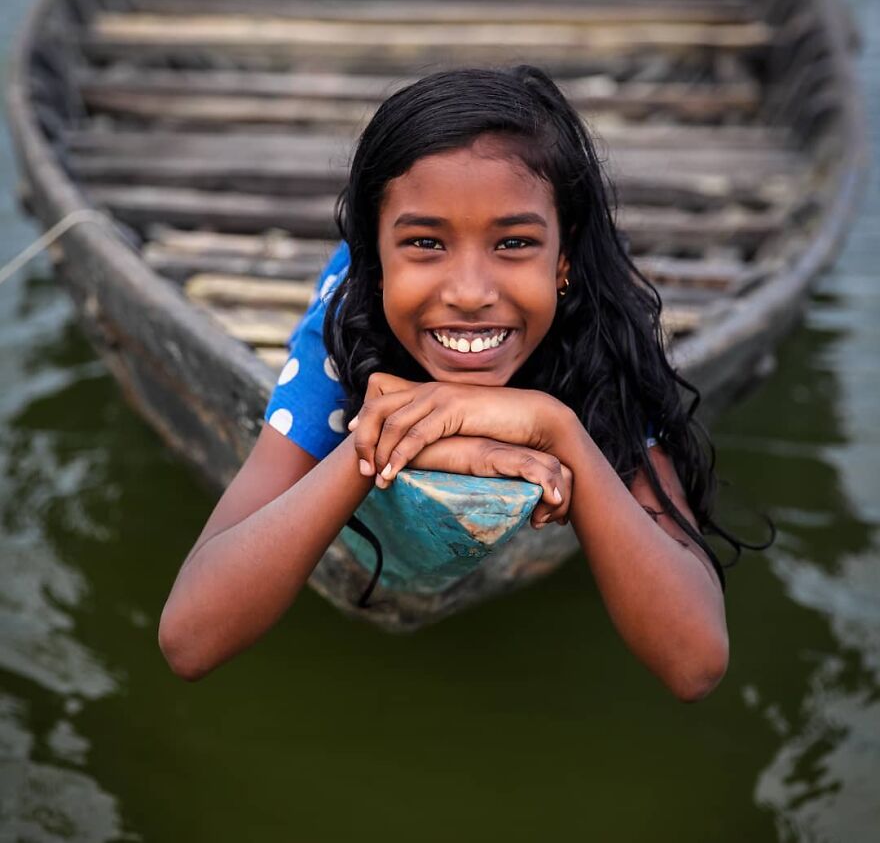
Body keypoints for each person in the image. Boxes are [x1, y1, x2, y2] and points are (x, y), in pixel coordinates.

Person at [159, 64, 741, 699]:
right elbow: (189, 640)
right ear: (375, 260)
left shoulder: (602, 336)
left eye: (513, 243)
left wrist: (559, 428)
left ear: (564, 260)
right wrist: (376, 445)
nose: (469, 293)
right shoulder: (346, 327)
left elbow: (695, 663)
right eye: (425, 244)